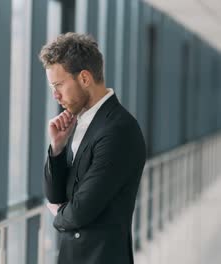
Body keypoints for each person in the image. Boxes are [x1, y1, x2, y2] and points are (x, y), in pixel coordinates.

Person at [40, 32, 146, 264]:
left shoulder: (118, 130)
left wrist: (59, 214)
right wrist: (57, 149)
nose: (55, 95)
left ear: (85, 78)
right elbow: (56, 195)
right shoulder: (82, 123)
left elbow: (80, 210)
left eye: (59, 85)